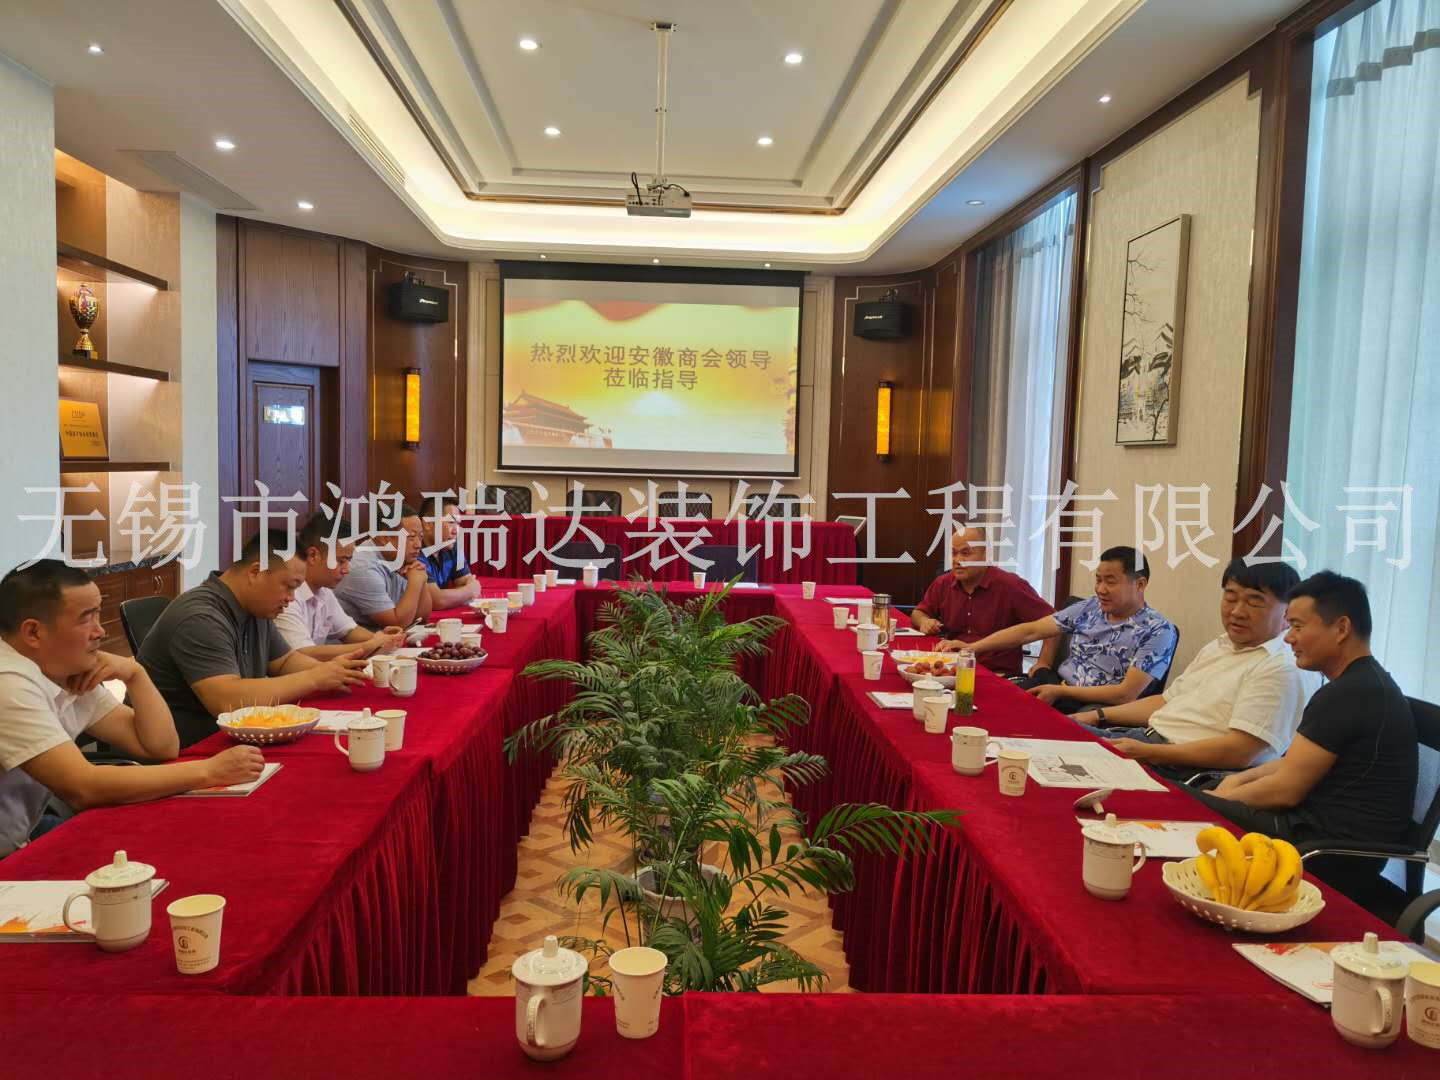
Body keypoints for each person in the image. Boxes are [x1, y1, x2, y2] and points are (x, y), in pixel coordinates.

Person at [1, 561, 264, 857]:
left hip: (24, 830)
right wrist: (208, 771)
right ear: (33, 632)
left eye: (98, 614)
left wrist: (136, 674)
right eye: (86, 619)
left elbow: (160, 747)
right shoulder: (9, 683)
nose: (100, 631)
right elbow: (83, 788)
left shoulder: (64, 669)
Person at [1187, 571, 1416, 855]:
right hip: (1313, 826)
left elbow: (1284, 791)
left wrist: (1219, 798)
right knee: (1199, 792)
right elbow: (1293, 763)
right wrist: (1234, 783)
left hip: (1324, 846)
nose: (1289, 638)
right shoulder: (1364, 682)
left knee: (1182, 799)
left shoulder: (1350, 693)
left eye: (1297, 626)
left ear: (1341, 629)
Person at [1071, 559, 1319, 775]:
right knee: (1057, 732)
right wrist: (1098, 715)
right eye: (1230, 597)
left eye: (1254, 602)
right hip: (1146, 741)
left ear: (1287, 613)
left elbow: (1240, 752)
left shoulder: (1281, 667)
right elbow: (1166, 701)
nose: (1237, 611)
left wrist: (1148, 752)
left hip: (1180, 766)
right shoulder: (1222, 645)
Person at [138, 530, 369, 746]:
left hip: (236, 740)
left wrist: (332, 672)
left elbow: (284, 661)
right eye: (289, 587)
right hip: (187, 748)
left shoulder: (256, 607)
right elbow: (227, 701)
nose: (291, 598)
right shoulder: (200, 617)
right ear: (255, 572)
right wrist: (314, 678)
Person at [951, 546, 1176, 714]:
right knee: (986, 703)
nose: (1100, 589)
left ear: (1140, 584)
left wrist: (1060, 691)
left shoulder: (1158, 630)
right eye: (1098, 580)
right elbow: (1031, 630)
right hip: (1057, 686)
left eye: (1110, 581)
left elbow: (1125, 694)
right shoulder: (1090, 608)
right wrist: (973, 648)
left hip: (1096, 707)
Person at [912, 526, 1054, 677]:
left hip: (997, 674)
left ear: (985, 555)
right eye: (953, 553)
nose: (957, 560)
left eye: (965, 553)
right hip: (952, 669)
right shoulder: (943, 583)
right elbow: (918, 612)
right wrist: (924, 621)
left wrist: (1044, 662)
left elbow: (1054, 622)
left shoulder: (1011, 586)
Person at [275, 516, 407, 659]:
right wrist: (371, 644)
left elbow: (349, 631)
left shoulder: (324, 590)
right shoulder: (287, 595)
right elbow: (301, 653)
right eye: (341, 561)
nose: (346, 570)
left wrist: (381, 638)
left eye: (349, 561)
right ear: (313, 555)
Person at [333, 505, 434, 630]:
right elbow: (396, 625)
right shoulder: (364, 567)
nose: (418, 545)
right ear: (384, 538)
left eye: (421, 537)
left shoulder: (402, 560)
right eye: (411, 537)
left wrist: (421, 580)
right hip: (350, 641)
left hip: (380, 638)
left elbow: (421, 619)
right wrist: (416, 581)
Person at [418, 494, 481, 608]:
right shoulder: (414, 551)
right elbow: (436, 600)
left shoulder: (452, 546)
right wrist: (471, 590)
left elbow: (465, 580)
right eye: (451, 522)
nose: (456, 531)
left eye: (458, 524)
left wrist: (466, 589)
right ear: (428, 523)